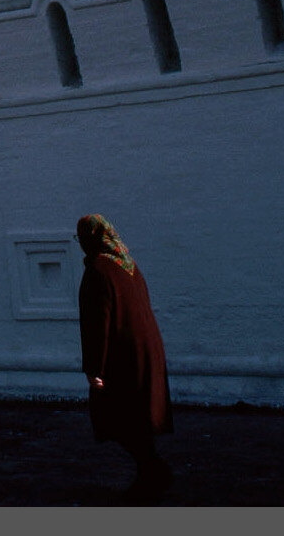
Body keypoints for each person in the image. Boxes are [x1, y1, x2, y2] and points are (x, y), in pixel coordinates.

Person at [77, 214, 173, 501]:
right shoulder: (129, 266)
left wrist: (95, 369)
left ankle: (153, 469)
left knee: (115, 416)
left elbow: (98, 324)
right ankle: (150, 470)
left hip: (121, 356)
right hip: (146, 350)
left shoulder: (99, 270)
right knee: (135, 416)